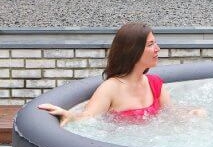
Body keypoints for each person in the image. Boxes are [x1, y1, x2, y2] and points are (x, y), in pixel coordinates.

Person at [38, 22, 200, 124]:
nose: (157, 49)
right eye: (150, 44)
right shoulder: (111, 88)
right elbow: (88, 117)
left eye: (155, 43)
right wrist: (70, 116)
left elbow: (170, 114)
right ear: (133, 51)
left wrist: (192, 114)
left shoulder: (155, 84)